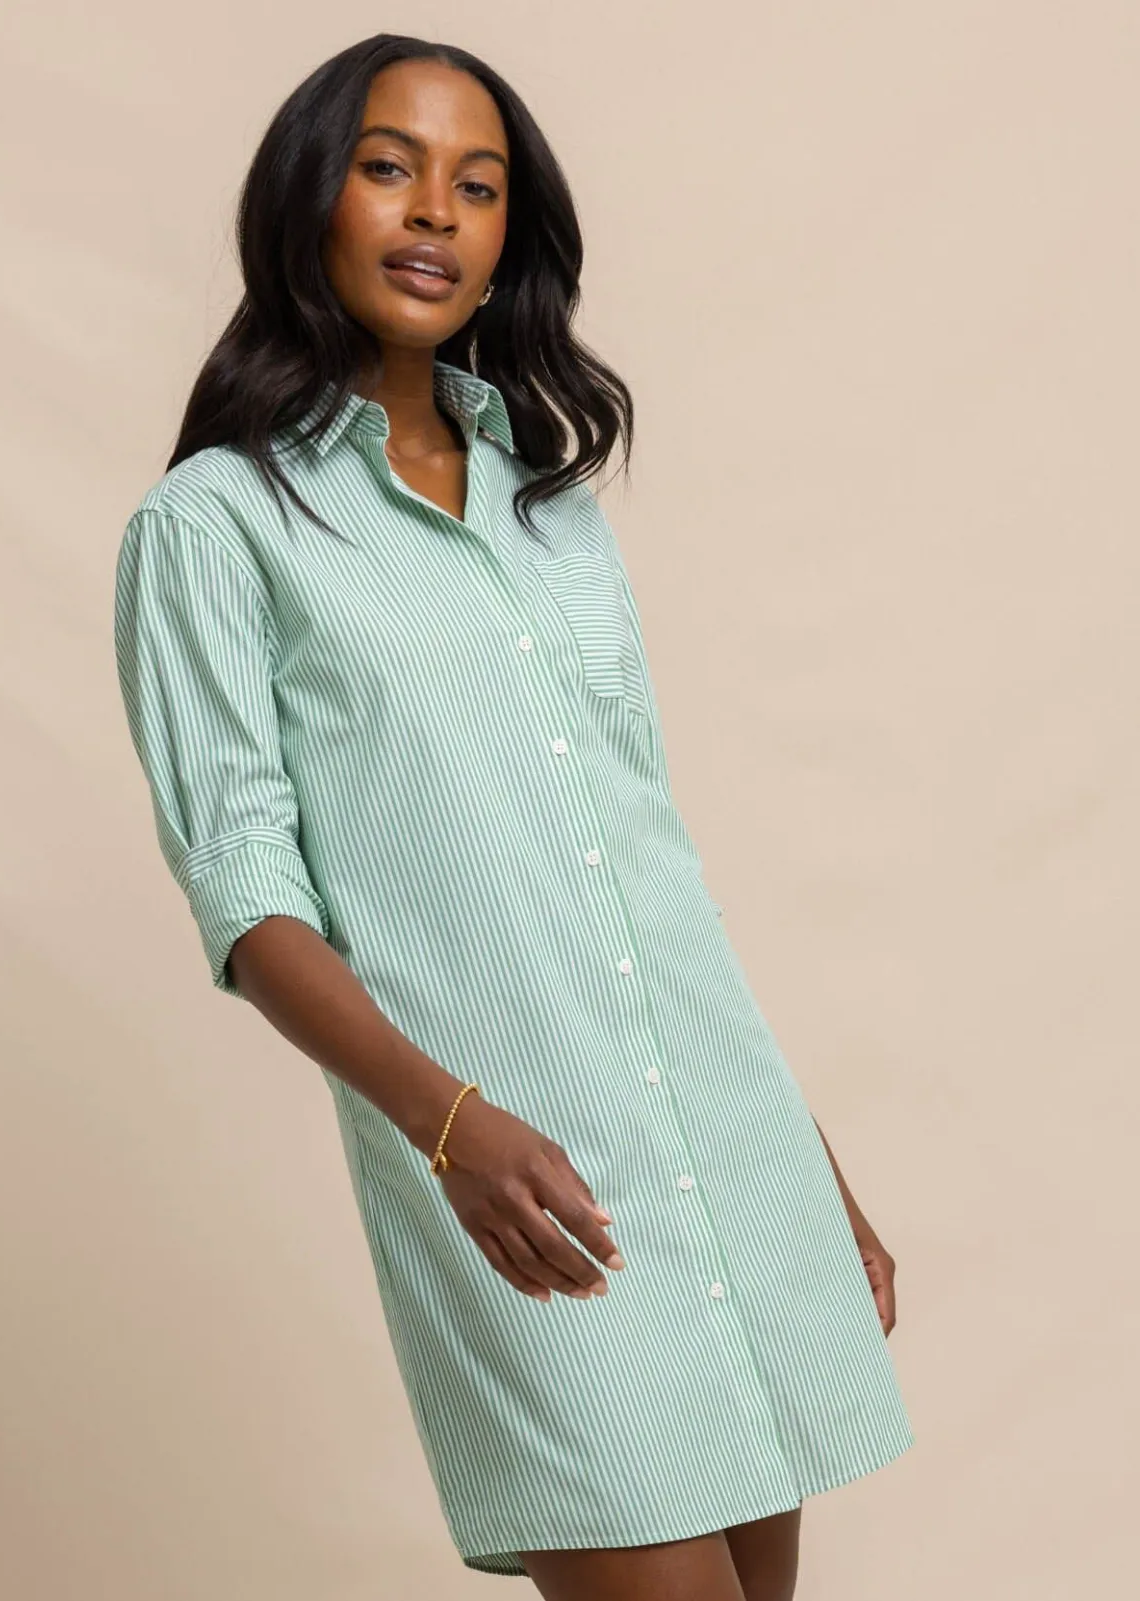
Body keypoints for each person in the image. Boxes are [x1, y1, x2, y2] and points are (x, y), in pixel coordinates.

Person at [112, 32, 914, 1601]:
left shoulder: (550, 511)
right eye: (389, 168)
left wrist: (804, 1157)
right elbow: (247, 899)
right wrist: (451, 1128)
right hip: (520, 1186)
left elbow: (641, 862)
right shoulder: (212, 527)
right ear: (309, 199)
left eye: (476, 187)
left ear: (508, 239)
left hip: (723, 1156)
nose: (435, 213)